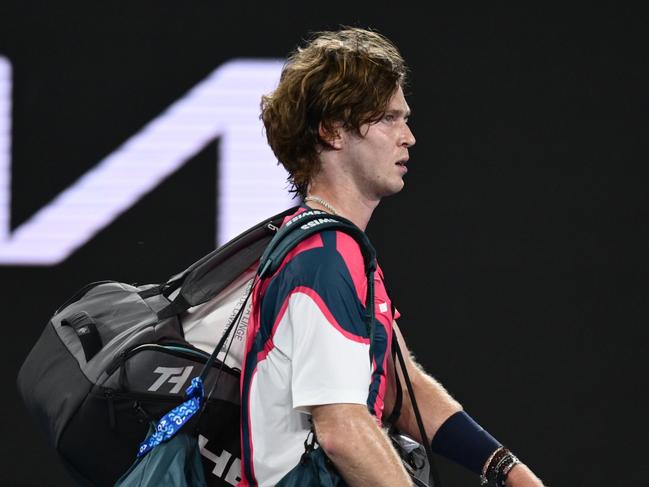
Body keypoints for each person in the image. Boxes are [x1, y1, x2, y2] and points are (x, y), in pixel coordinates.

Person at [239, 26, 545, 487]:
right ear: (331, 131)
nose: (409, 137)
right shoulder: (324, 256)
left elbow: (399, 390)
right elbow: (342, 426)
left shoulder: (335, 247)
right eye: (387, 118)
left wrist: (505, 469)